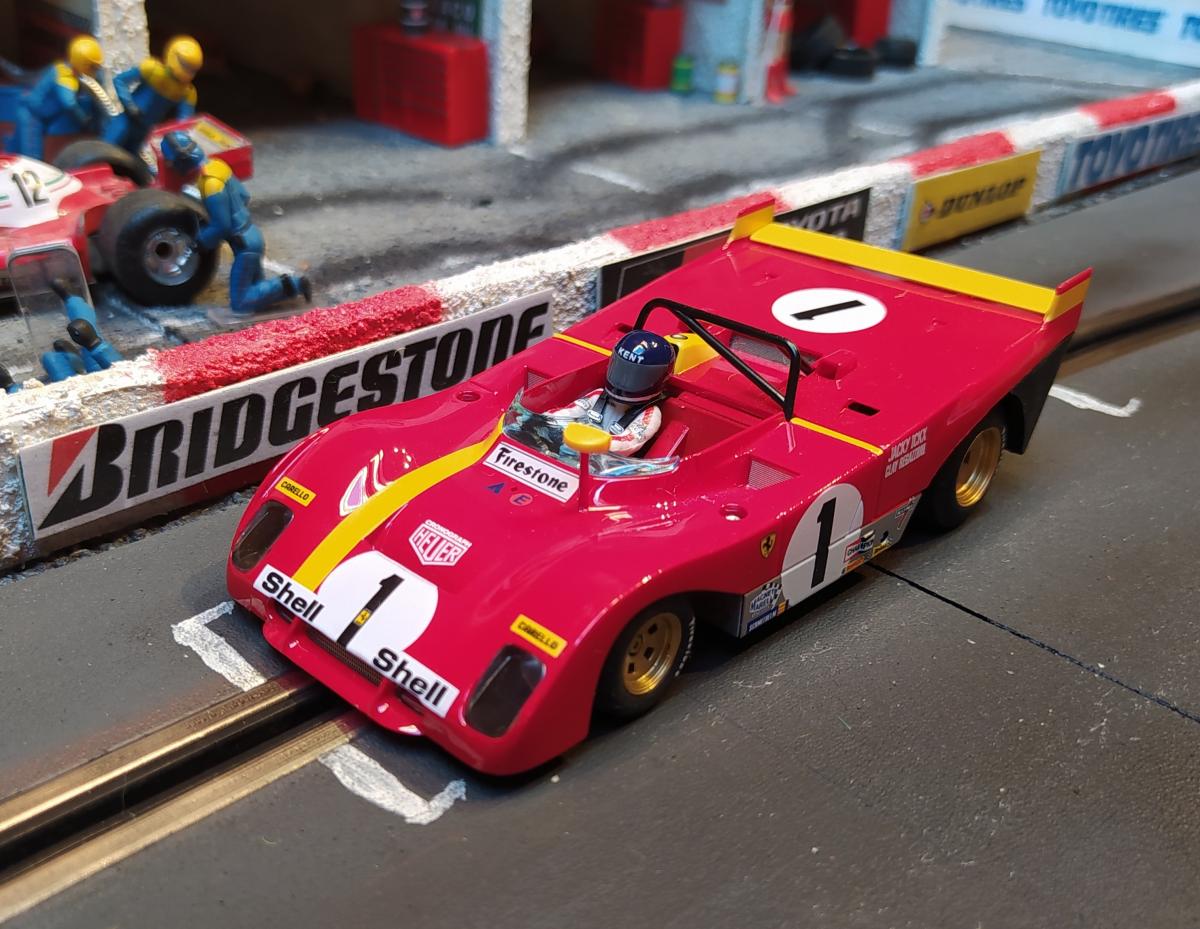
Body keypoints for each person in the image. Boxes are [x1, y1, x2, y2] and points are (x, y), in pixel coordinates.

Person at [159, 130, 311, 314]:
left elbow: (221, 226)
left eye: (171, 161)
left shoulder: (210, 184)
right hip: (251, 234)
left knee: (240, 303)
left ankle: (294, 284)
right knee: (256, 287)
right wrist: (233, 212)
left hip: (245, 246)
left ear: (181, 160)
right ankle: (289, 287)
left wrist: (199, 241)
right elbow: (244, 196)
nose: (170, 165)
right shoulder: (218, 166)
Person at [546, 330, 674, 456]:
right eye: (621, 370)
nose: (624, 379)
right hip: (573, 452)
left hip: (606, 463)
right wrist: (543, 421)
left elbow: (628, 442)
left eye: (636, 376)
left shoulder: (649, 415)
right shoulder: (598, 396)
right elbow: (567, 413)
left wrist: (585, 443)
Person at [103, 35, 203, 156]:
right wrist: (129, 105)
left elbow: (184, 122)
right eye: (185, 65)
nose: (188, 72)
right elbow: (120, 81)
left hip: (145, 130)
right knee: (105, 149)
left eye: (192, 69)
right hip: (127, 120)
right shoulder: (152, 69)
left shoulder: (187, 92)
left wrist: (174, 137)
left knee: (128, 160)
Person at [13, 35, 105, 160]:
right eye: (92, 67)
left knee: (17, 152)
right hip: (33, 117)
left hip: (34, 114)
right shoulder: (65, 78)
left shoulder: (61, 68)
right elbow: (69, 103)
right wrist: (84, 120)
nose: (94, 71)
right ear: (82, 64)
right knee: (33, 158)